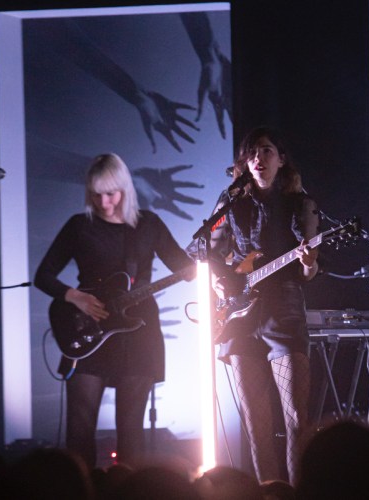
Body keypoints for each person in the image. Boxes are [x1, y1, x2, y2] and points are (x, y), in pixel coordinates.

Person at [34, 153, 194, 470]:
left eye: (110, 194)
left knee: (131, 431)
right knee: (79, 428)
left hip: (139, 333)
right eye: (96, 195)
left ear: (125, 189)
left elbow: (184, 266)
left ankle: (127, 489)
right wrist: (75, 297)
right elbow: (43, 276)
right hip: (88, 327)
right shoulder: (79, 226)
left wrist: (213, 251)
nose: (103, 203)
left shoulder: (148, 224)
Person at [207, 126, 320, 485]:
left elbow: (309, 271)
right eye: (253, 152)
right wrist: (219, 281)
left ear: (281, 159)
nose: (259, 158)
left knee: (296, 419)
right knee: (256, 425)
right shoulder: (231, 201)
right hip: (239, 318)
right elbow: (209, 252)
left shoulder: (301, 204)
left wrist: (308, 261)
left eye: (267, 150)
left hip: (283, 310)